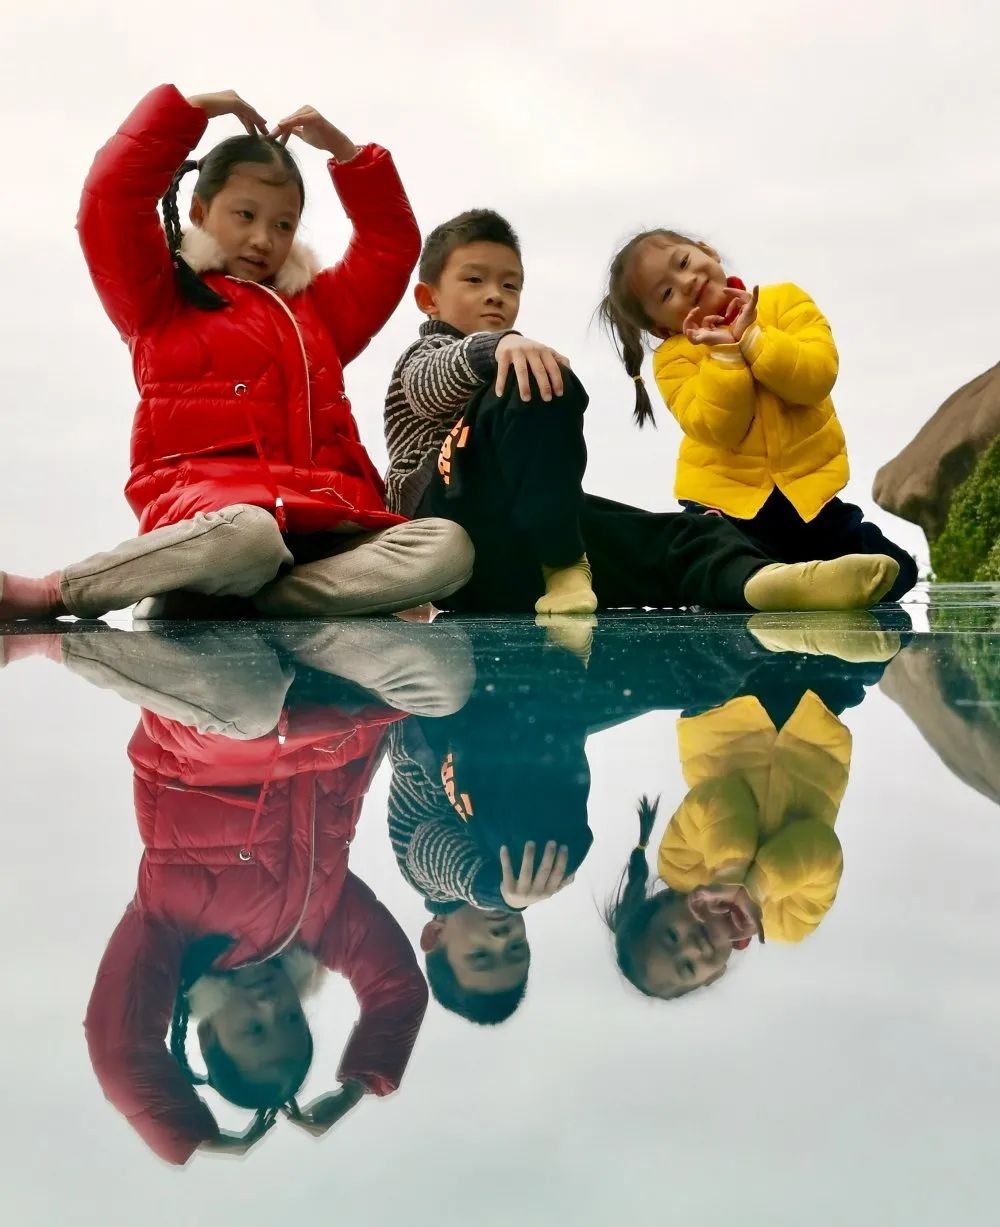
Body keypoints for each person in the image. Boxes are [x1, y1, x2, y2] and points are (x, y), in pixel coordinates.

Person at [0, 84, 472, 623]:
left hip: (325, 525)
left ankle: (264, 599)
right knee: (249, 540)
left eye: (282, 224)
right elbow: (110, 200)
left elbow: (391, 245)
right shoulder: (158, 296)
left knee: (447, 547)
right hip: (221, 521)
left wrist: (344, 152)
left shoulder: (320, 310)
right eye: (245, 214)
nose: (263, 238)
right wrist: (192, 111)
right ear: (200, 209)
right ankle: (61, 591)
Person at [36, 624, 433, 1164]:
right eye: (291, 1021)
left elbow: (119, 1051)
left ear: (207, 1035)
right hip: (333, 702)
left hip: (225, 714)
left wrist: (194, 1139)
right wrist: (361, 1083)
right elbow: (398, 987)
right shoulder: (320, 926)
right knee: (447, 679)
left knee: (250, 691)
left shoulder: (168, 929)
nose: (272, 1006)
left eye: (253, 1028)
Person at [382, 208, 901, 616]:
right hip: (445, 528)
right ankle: (564, 561)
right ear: (429, 299)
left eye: (511, 284)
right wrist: (496, 346)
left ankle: (768, 583)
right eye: (475, 280)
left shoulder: (517, 357)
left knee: (681, 536)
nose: (496, 294)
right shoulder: (425, 360)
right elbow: (432, 381)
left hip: (518, 557)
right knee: (538, 378)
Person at [598, 229, 918, 603]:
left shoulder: (784, 302)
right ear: (661, 327)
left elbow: (815, 378)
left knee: (896, 569)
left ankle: (807, 580)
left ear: (708, 252)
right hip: (729, 507)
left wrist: (752, 337)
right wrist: (726, 355)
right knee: (716, 555)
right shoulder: (674, 357)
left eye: (683, 262)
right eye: (666, 294)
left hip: (808, 499)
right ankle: (774, 581)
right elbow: (720, 428)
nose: (685, 283)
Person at [605, 617, 908, 999]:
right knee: (890, 629)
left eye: (670, 935)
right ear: (713, 976)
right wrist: (757, 888)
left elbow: (723, 797)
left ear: (663, 902)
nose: (691, 946)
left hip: (731, 704)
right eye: (689, 967)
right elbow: (822, 847)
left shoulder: (679, 864)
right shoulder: (790, 921)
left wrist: (730, 873)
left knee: (761, 621)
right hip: (816, 715)